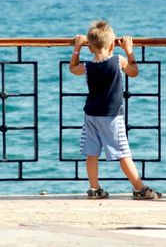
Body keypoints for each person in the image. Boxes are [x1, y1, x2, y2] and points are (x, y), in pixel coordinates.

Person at [69, 20, 161, 200]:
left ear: (90, 48)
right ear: (112, 45)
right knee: (123, 152)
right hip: (111, 116)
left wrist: (77, 48)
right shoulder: (118, 60)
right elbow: (134, 72)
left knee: (92, 152)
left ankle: (94, 189)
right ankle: (139, 188)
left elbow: (73, 68)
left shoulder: (87, 66)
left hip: (91, 114)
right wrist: (129, 50)